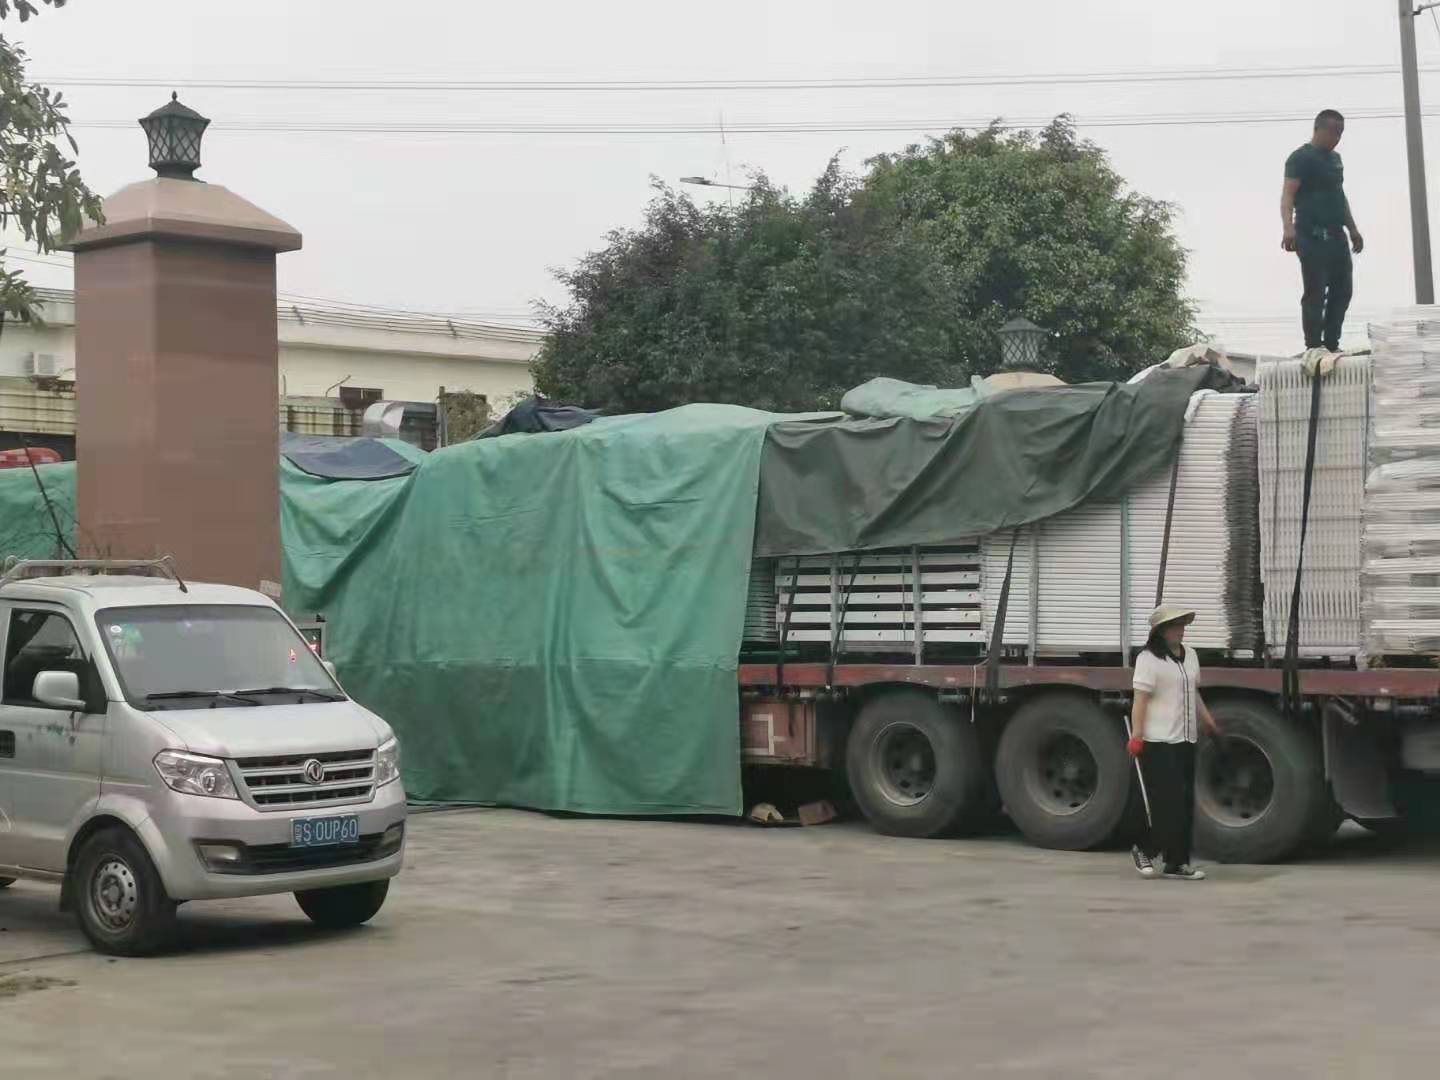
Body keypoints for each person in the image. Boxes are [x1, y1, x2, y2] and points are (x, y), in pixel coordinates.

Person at [1127, 605, 1220, 881]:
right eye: (1175, 626)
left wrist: (1209, 722)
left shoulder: (1190, 655)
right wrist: (1136, 736)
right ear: (1161, 631)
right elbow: (1140, 701)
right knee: (1167, 803)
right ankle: (1144, 849)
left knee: (1185, 803)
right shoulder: (1148, 659)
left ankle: (1176, 863)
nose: (1181, 630)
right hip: (1159, 740)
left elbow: (1193, 692)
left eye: (1182, 625)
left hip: (1185, 739)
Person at [1281, 109, 1363, 353]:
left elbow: (1339, 195)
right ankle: (1314, 346)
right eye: (1334, 132)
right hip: (1311, 235)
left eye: (1341, 133)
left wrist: (1353, 229)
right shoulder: (1300, 158)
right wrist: (1288, 228)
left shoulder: (1335, 160)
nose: (1337, 138)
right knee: (1316, 291)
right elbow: (1288, 195)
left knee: (1343, 290)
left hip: (1336, 234)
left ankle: (1331, 344)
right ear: (1319, 129)